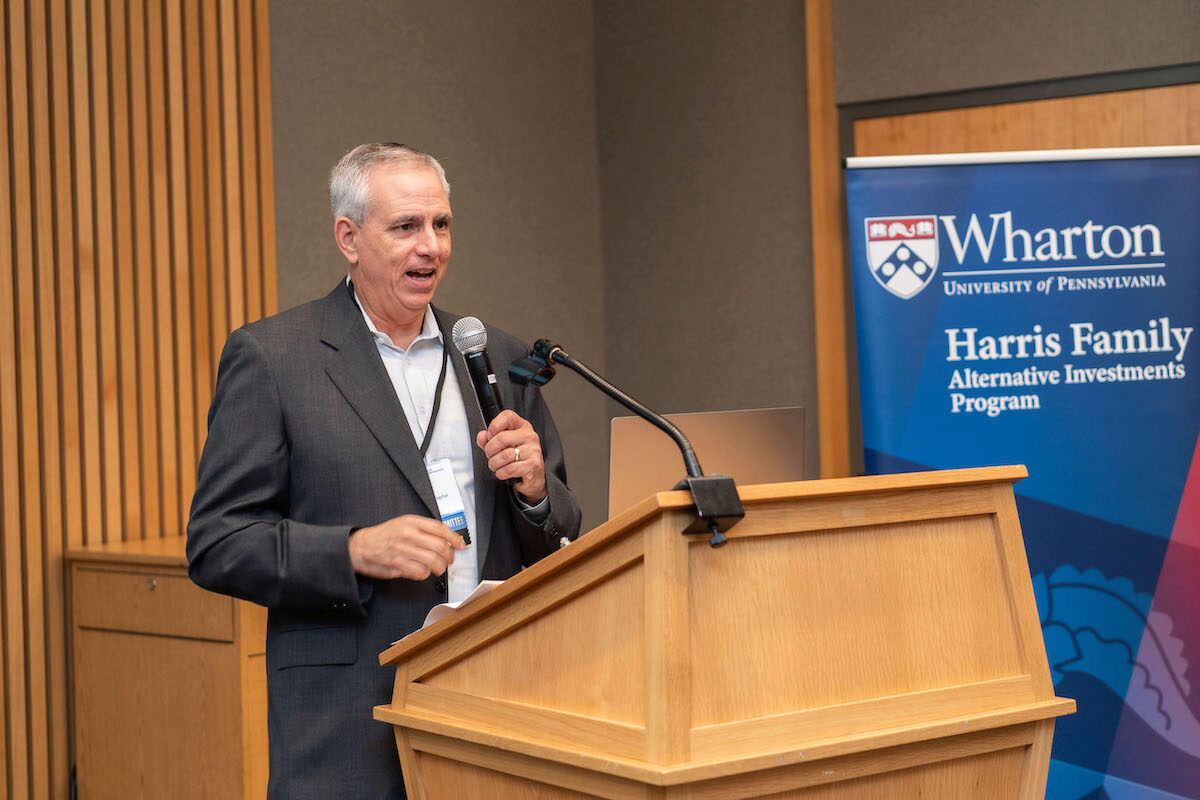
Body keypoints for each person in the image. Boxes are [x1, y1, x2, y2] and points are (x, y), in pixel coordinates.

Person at [186, 142, 582, 799]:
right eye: (406, 227)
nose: (431, 246)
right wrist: (353, 549)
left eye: (442, 224)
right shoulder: (275, 358)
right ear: (349, 237)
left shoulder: (498, 356)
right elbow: (218, 544)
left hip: (496, 699)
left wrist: (538, 493)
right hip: (347, 716)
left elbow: (561, 530)